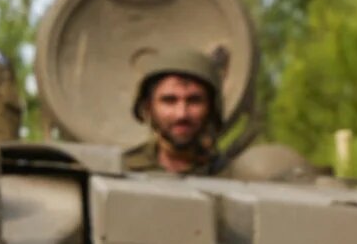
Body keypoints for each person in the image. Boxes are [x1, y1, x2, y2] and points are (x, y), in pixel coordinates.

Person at [122, 48, 317, 182]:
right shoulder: (121, 171)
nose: (181, 113)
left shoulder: (235, 177)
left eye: (194, 100)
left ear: (212, 107)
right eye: (169, 100)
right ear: (148, 107)